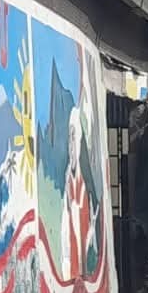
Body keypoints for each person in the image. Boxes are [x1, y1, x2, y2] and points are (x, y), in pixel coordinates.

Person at [60, 107, 93, 279]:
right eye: (69, 138)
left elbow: (86, 228)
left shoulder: (81, 184)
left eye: (74, 137)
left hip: (80, 264)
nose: (71, 145)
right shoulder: (68, 181)